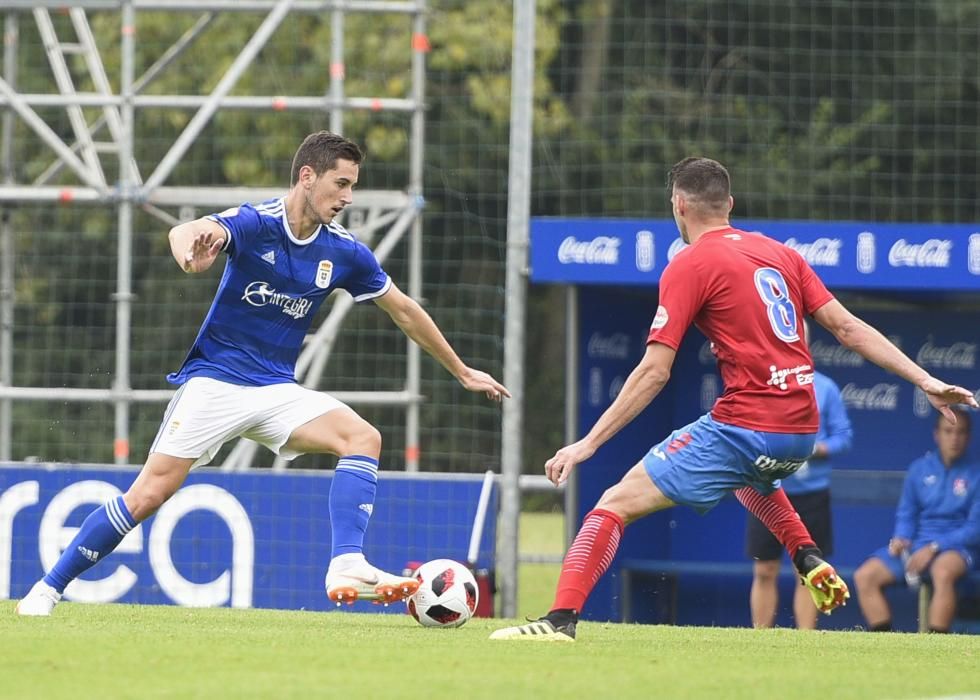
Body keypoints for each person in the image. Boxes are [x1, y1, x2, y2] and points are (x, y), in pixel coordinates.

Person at [16, 130, 510, 616]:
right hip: (215, 382)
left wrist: (463, 371)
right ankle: (48, 588)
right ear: (307, 176)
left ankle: (345, 563)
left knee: (363, 437)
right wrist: (190, 255)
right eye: (340, 184)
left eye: (353, 186)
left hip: (275, 390)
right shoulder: (258, 222)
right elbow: (183, 232)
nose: (347, 197)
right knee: (148, 495)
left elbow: (403, 309)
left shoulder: (344, 251)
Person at [490, 156, 977, 642]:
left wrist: (587, 444)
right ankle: (807, 555)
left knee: (612, 504)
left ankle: (559, 622)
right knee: (744, 471)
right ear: (731, 204)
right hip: (800, 431)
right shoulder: (780, 254)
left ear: (678, 205)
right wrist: (924, 379)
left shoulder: (690, 263)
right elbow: (848, 328)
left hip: (750, 424)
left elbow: (655, 372)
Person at [745, 320, 853, 629]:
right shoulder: (760, 381)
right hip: (766, 489)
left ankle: (803, 640)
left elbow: (844, 437)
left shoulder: (825, 387)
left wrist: (813, 449)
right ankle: (760, 639)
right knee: (764, 569)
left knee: (808, 570)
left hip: (811, 494)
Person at [854, 408, 980, 633]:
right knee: (865, 576)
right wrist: (902, 538)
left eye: (960, 432)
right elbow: (907, 514)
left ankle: (935, 646)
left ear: (969, 437)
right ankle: (885, 646)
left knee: (942, 571)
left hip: (959, 549)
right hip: (919, 546)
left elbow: (975, 528)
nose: (954, 438)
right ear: (936, 434)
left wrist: (935, 547)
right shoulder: (919, 469)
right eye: (948, 431)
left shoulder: (976, 473)